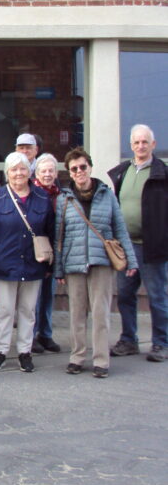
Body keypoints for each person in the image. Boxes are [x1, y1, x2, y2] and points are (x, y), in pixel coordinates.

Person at [55, 147, 137, 378]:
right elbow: (59, 236)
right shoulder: (64, 199)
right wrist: (59, 269)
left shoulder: (107, 195)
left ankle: (101, 360)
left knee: (101, 313)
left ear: (90, 167)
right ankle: (77, 357)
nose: (79, 171)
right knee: (77, 314)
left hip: (101, 262)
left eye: (83, 166)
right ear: (69, 173)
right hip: (74, 263)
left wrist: (131, 260)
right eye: (74, 169)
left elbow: (120, 228)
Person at [0, 152, 55, 373]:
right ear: (7, 173)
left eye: (22, 169)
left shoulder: (41, 197)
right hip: (4, 264)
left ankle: (24, 352)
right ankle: (1, 351)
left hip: (33, 263)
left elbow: (50, 230)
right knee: (5, 310)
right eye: (14, 169)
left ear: (29, 171)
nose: (18, 173)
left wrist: (50, 263)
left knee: (28, 310)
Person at [108, 124, 167, 363]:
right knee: (124, 295)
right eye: (136, 142)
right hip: (126, 247)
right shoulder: (123, 172)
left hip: (152, 246)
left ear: (153, 144)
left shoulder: (162, 174)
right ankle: (129, 340)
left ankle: (161, 343)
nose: (140, 146)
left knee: (157, 297)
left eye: (145, 142)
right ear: (131, 145)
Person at [31, 152, 62, 354]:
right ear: (37, 173)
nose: (47, 174)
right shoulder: (31, 194)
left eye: (51, 171)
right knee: (34, 297)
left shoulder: (61, 195)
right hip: (35, 251)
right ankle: (31, 335)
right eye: (44, 171)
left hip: (53, 250)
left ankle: (46, 334)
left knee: (48, 295)